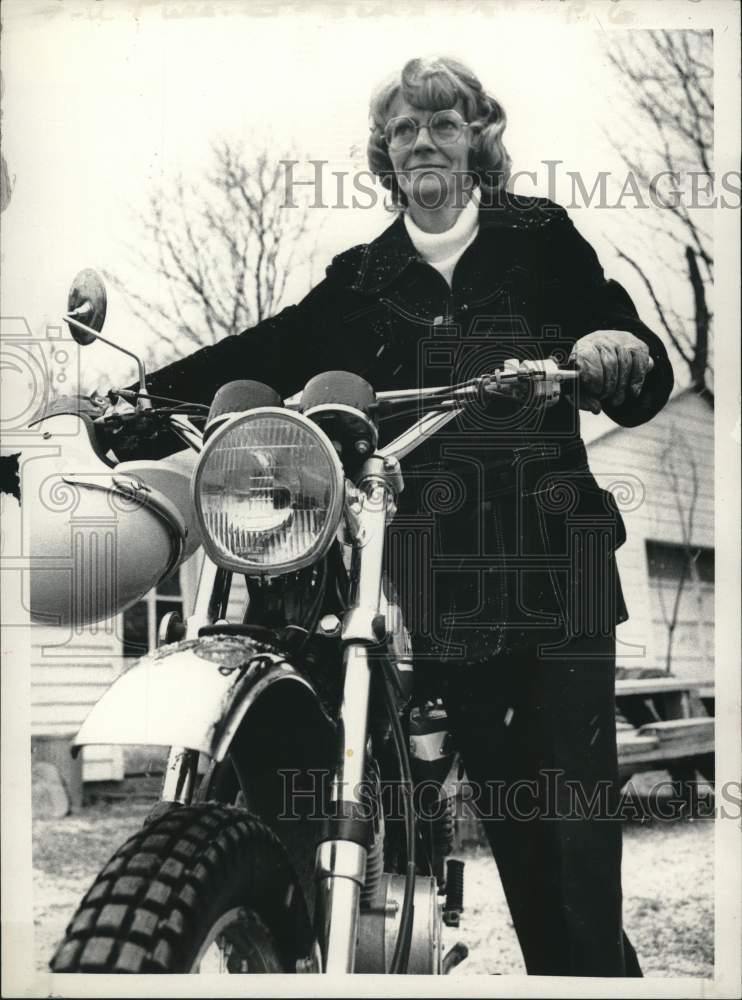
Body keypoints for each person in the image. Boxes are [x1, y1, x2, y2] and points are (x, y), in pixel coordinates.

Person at [128, 56, 673, 976]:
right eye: (406, 130)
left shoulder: (540, 238)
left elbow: (626, 347)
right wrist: (132, 397)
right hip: (446, 579)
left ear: (478, 142)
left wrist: (614, 348)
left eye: (445, 125)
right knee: (522, 837)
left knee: (578, 839)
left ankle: (595, 980)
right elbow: (268, 346)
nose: (425, 141)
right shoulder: (363, 275)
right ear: (384, 154)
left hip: (558, 565)